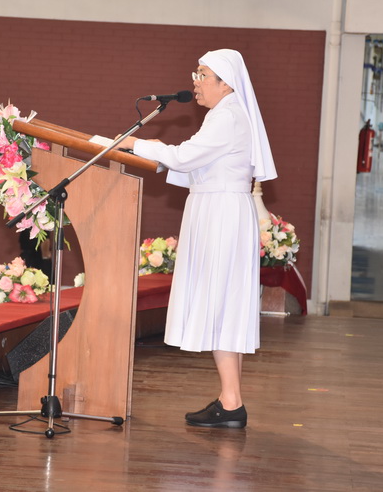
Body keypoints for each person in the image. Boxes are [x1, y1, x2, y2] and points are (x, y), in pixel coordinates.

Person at [118, 48, 276, 428]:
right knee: (226, 303)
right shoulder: (224, 114)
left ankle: (232, 402)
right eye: (197, 73)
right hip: (218, 209)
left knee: (222, 302)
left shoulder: (228, 116)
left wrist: (136, 144)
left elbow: (186, 157)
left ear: (226, 83)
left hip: (221, 214)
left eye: (203, 74)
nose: (196, 81)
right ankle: (230, 399)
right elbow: (196, 165)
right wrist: (159, 157)